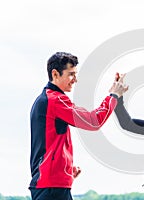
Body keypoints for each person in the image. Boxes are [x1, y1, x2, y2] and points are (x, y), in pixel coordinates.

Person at [29, 52, 128, 200]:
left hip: (52, 185)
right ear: (55, 74)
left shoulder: (47, 100)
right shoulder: (55, 101)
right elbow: (93, 121)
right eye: (71, 74)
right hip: (51, 187)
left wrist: (65, 171)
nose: (75, 79)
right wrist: (113, 96)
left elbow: (49, 144)